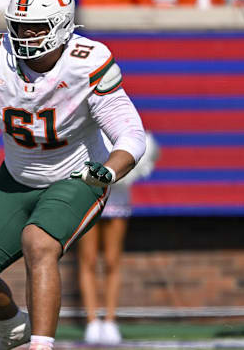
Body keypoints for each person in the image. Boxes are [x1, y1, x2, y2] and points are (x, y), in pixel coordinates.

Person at [0, 0, 146, 350]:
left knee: (38, 240)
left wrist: (108, 170)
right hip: (16, 177)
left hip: (76, 176)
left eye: (36, 27)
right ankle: (14, 327)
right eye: (19, 25)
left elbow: (131, 134)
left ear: (62, 25)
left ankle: (41, 346)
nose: (25, 35)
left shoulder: (87, 63)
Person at [78, 131, 159, 345]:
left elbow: (141, 151)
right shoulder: (88, 126)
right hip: (88, 196)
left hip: (119, 198)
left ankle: (110, 320)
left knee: (113, 261)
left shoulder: (124, 124)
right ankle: (92, 322)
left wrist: (124, 171)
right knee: (88, 260)